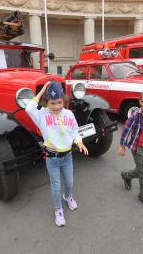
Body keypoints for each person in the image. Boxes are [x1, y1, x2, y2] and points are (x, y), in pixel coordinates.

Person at [25, 81, 89, 227]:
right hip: (52, 158)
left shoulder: (69, 114)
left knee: (69, 182)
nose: (56, 106)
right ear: (47, 102)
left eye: (59, 102)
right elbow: (29, 107)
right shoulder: (41, 114)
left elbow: (74, 130)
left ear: (63, 101)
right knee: (55, 185)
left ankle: (68, 197)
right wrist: (42, 92)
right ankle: (58, 210)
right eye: (52, 103)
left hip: (67, 157)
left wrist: (79, 142)